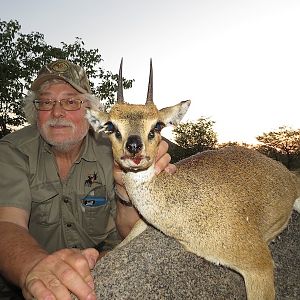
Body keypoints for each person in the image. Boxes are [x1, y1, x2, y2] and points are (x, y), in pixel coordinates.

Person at [0, 59, 175, 300]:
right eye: (46, 101)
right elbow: (7, 225)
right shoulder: (12, 151)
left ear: (91, 113)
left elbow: (129, 232)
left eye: (71, 101)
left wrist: (132, 189)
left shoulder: (113, 149)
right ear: (35, 110)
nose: (57, 111)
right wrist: (35, 267)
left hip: (103, 271)